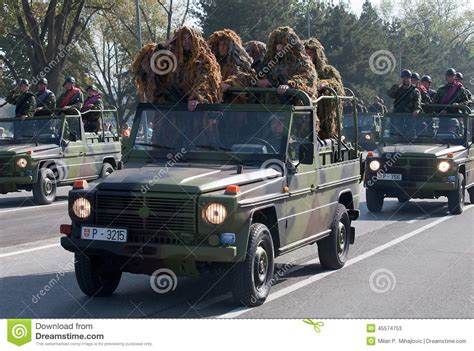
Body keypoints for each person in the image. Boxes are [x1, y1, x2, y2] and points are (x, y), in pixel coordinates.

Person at [131, 26, 222, 111]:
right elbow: (145, 66)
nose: (187, 41)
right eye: (183, 38)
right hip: (171, 110)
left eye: (189, 38)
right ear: (178, 41)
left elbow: (205, 82)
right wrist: (162, 47)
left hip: (194, 112)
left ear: (195, 40)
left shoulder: (203, 60)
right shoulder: (170, 60)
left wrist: (197, 98)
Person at [257, 27, 318, 107]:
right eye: (276, 46)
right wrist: (259, 82)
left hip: (297, 110)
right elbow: (256, 77)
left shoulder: (303, 63)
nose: (278, 49)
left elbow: (306, 79)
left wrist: (290, 85)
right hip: (270, 108)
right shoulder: (269, 62)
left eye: (283, 46)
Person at [304, 37, 344, 138]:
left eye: (310, 53)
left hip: (324, 114)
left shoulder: (327, 71)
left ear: (317, 55)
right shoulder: (301, 71)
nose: (308, 56)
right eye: (306, 53)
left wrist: (325, 83)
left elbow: (337, 86)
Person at [207, 29, 256, 101]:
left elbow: (246, 76)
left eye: (225, 44)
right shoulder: (211, 64)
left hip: (234, 104)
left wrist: (230, 83)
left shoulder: (238, 62)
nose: (222, 47)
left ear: (230, 46)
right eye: (220, 44)